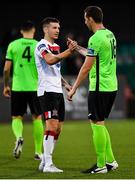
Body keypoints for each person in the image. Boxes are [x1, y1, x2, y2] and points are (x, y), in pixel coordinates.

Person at [67, 6, 118, 174]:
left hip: (99, 87)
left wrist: (73, 88)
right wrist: (77, 48)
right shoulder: (109, 34)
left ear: (90, 18)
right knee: (100, 123)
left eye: (85, 18)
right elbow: (94, 54)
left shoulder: (95, 38)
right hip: (111, 85)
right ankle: (110, 161)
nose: (84, 21)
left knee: (96, 123)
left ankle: (101, 164)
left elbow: (87, 67)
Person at [34, 17, 77, 173]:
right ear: (46, 29)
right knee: (51, 125)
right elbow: (50, 60)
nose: (57, 30)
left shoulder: (57, 46)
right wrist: (69, 51)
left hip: (57, 91)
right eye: (54, 27)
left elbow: (55, 70)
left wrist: (65, 85)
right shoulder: (41, 45)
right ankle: (48, 165)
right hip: (46, 91)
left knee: (58, 129)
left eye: (58, 27)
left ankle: (44, 160)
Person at [3, 21, 44, 160]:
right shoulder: (39, 45)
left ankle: (19, 137)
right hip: (34, 87)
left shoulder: (13, 45)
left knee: (16, 117)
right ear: (33, 30)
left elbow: (6, 69)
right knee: (37, 117)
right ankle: (38, 152)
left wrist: (6, 86)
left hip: (18, 87)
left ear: (21, 31)